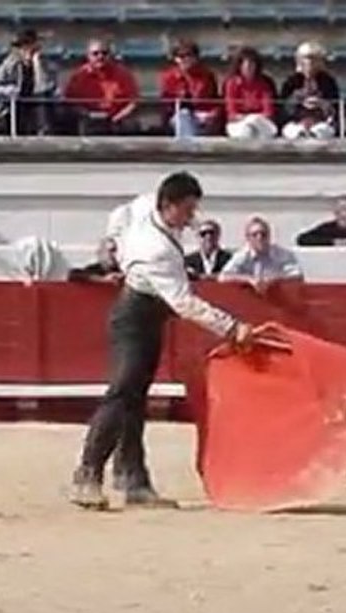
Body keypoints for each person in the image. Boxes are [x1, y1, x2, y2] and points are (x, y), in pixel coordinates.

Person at [70, 172, 261, 511]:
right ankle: (87, 474)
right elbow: (185, 303)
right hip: (135, 315)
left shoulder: (145, 206)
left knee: (134, 397)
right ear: (168, 206)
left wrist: (113, 239)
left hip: (145, 313)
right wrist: (232, 328)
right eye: (187, 210)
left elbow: (121, 213)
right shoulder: (155, 251)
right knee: (123, 391)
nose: (190, 219)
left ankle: (133, 479)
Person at [0, 29, 57, 136]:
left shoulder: (47, 66)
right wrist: (9, 90)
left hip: (38, 111)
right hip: (12, 111)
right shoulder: (10, 65)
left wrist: (37, 66)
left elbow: (45, 87)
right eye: (25, 47)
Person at [63, 38, 139, 136]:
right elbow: (70, 102)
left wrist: (117, 117)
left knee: (131, 125)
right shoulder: (79, 76)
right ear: (88, 56)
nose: (100, 57)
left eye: (104, 53)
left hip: (117, 121)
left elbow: (133, 102)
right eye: (95, 53)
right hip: (88, 121)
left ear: (110, 55)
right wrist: (87, 115)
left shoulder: (123, 74)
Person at [219, 216, 303, 292]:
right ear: (248, 238)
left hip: (280, 300)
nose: (259, 238)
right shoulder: (242, 256)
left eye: (263, 234)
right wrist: (250, 280)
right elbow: (223, 277)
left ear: (269, 236)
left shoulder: (283, 254)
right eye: (255, 235)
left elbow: (297, 275)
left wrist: (272, 280)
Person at [158, 39, 220, 138]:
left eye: (189, 55)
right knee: (183, 116)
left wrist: (212, 114)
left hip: (203, 115)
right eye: (180, 56)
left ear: (195, 57)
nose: (185, 59)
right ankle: (190, 149)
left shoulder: (207, 75)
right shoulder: (169, 77)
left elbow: (214, 100)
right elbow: (166, 106)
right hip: (178, 117)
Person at [280, 42, 340, 140]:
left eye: (313, 60)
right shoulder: (291, 81)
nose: (309, 64)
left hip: (320, 123)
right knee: (291, 132)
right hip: (297, 123)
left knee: (322, 132)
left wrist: (321, 103)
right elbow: (284, 109)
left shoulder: (328, 82)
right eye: (305, 60)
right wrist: (297, 99)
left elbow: (335, 109)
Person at [223, 46, 278, 140]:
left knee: (257, 125)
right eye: (245, 64)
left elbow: (268, 112)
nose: (248, 67)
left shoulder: (264, 83)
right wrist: (246, 119)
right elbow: (232, 113)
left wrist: (253, 118)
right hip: (239, 123)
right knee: (246, 131)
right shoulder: (231, 83)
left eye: (252, 63)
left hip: (260, 122)